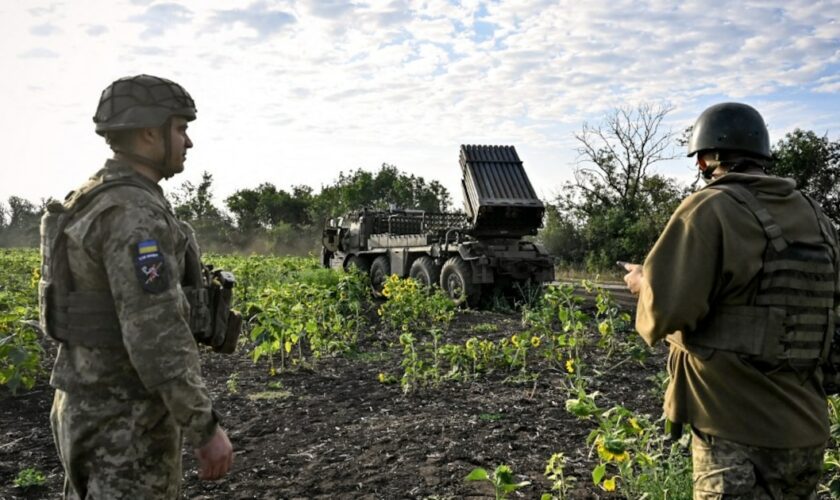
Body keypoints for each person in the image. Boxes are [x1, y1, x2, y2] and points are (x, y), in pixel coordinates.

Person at [623, 102, 838, 499]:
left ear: (707, 158)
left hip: (734, 430)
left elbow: (663, 312)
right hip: (805, 433)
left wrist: (642, 282)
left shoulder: (710, 208)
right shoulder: (817, 217)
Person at [39, 74, 234, 499]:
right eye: (181, 129)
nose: (188, 142)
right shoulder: (134, 213)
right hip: (125, 419)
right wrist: (203, 427)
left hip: (81, 403)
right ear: (150, 132)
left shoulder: (89, 198)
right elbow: (156, 332)